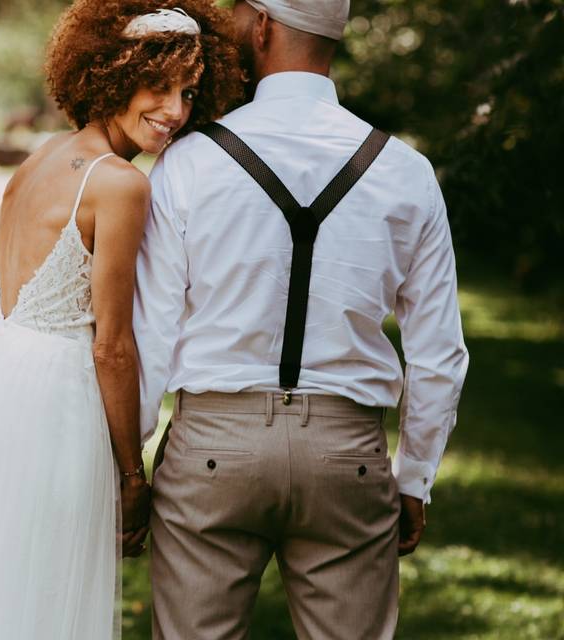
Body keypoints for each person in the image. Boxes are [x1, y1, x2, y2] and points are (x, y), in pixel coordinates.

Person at [0, 2, 243, 638]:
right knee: (44, 590)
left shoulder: (40, 158)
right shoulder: (120, 186)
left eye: (187, 92)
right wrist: (132, 474)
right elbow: (112, 347)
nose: (176, 111)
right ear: (114, 75)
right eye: (158, 87)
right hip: (60, 405)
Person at [135, 1, 469, 638]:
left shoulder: (189, 161)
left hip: (212, 450)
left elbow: (152, 332)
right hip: (347, 459)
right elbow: (438, 352)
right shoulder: (406, 170)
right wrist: (416, 477)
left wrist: (130, 463)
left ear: (261, 26)